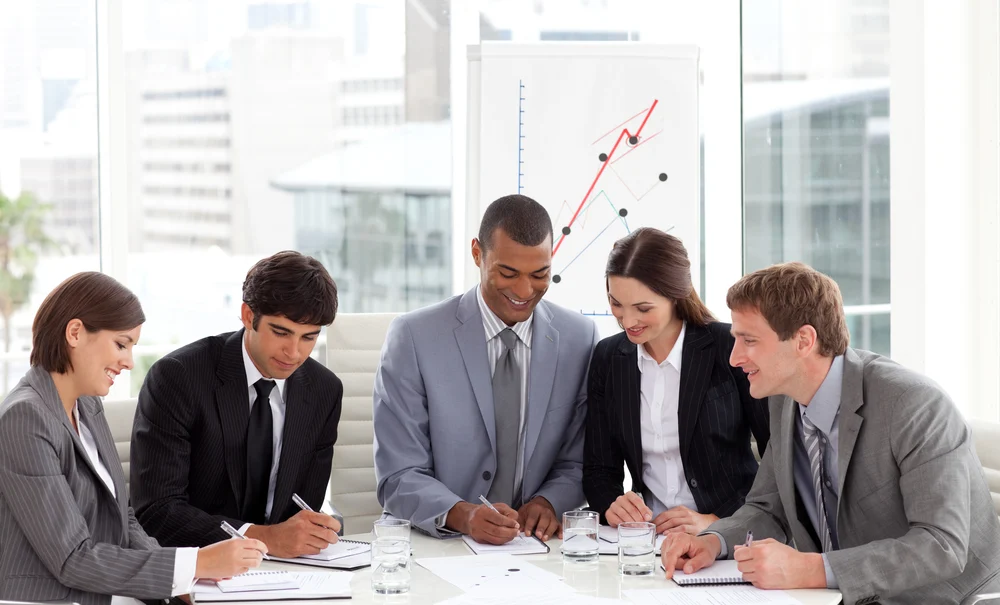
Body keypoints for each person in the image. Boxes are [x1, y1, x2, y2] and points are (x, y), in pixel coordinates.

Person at [660, 262, 1000, 605]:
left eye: (749, 340)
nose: (734, 358)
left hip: (946, 599)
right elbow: (767, 508)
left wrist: (811, 569)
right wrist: (712, 542)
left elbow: (941, 545)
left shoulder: (914, 405)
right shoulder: (784, 397)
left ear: (804, 341)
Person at [0, 272, 266, 605]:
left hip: (100, 592)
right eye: (121, 344)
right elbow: (71, 558)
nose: (128, 362)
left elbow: (123, 517)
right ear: (75, 332)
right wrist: (198, 562)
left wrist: (180, 581)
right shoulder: (25, 418)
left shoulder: (87, 404)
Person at [373, 194, 600, 544]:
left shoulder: (580, 338)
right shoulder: (414, 337)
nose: (524, 291)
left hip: (535, 547)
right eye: (507, 273)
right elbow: (398, 474)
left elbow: (579, 460)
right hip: (437, 543)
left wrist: (549, 501)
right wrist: (462, 514)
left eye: (539, 274)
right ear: (477, 254)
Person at [131, 251, 344, 559]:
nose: (294, 353)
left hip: (288, 572)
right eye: (281, 332)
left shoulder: (324, 390)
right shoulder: (179, 377)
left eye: (309, 338)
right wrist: (263, 539)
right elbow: (156, 511)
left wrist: (313, 530)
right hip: (197, 565)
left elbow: (303, 505)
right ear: (247, 316)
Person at [584, 228, 769, 536]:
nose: (627, 321)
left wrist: (719, 521)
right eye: (616, 303)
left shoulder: (728, 347)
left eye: (643, 308)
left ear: (675, 295)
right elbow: (598, 469)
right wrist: (612, 503)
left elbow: (779, 457)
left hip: (731, 537)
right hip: (649, 540)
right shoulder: (608, 358)